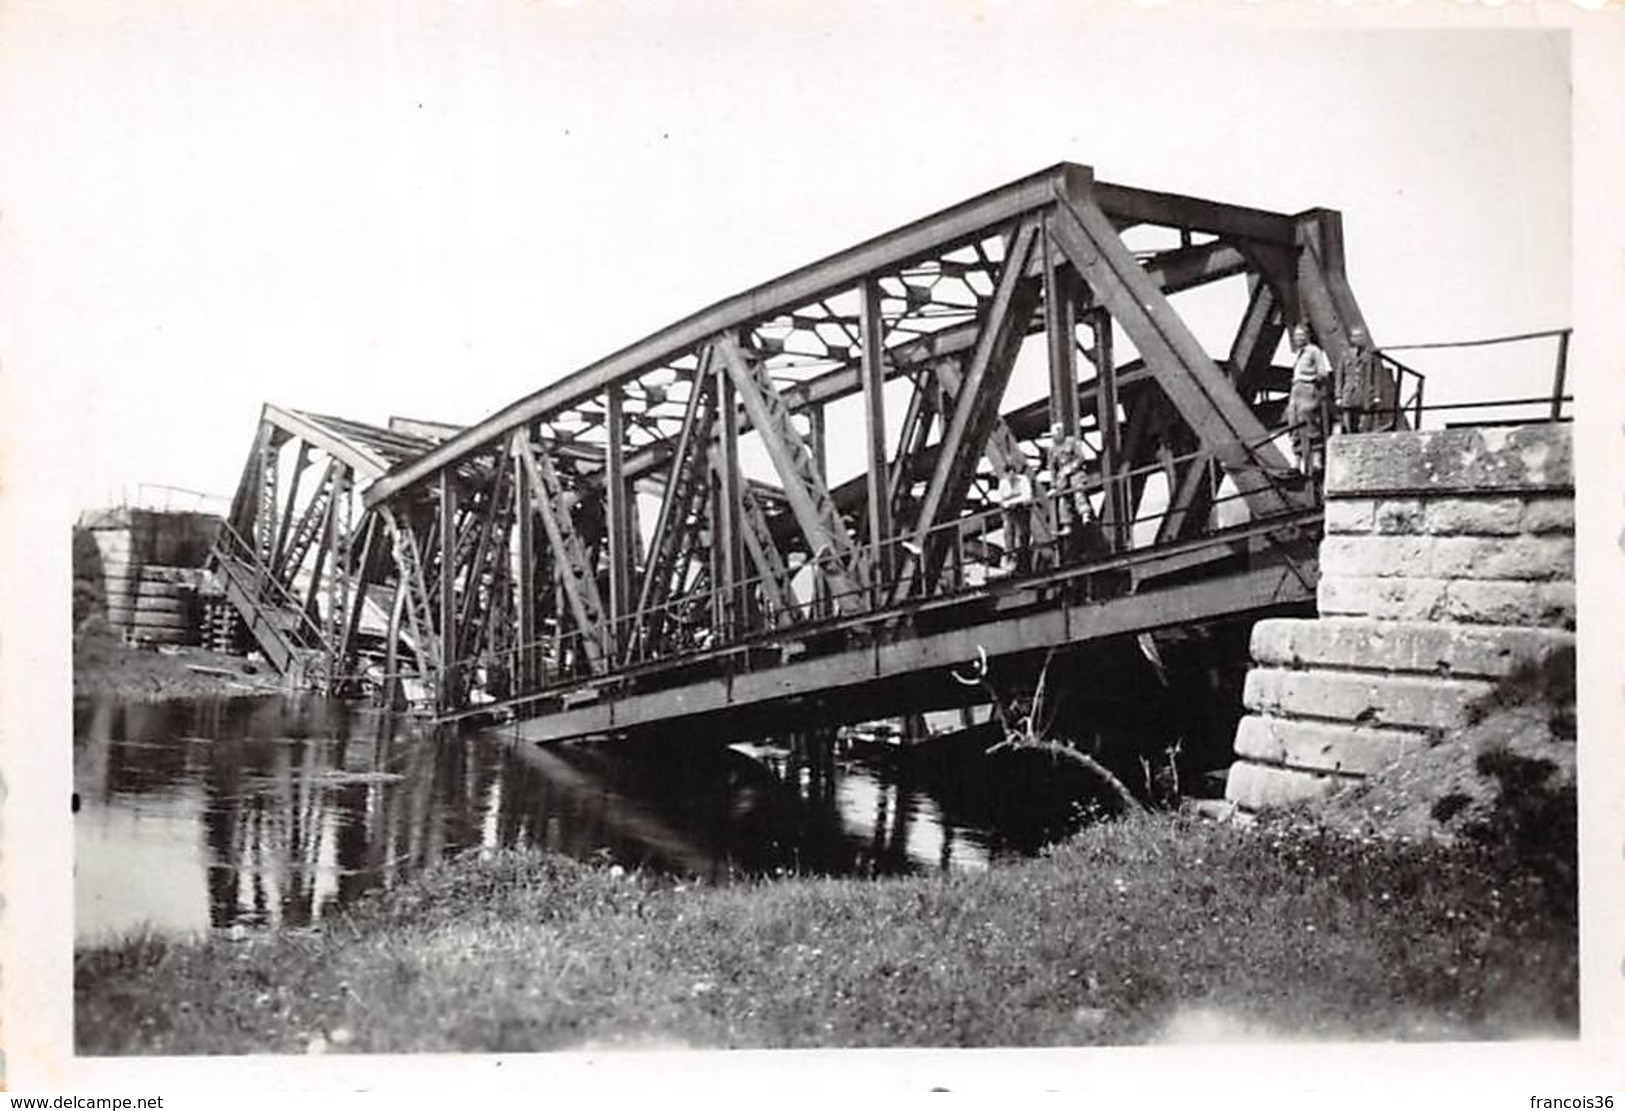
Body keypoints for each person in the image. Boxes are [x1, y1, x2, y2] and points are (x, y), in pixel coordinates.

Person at [1286, 322, 1333, 477]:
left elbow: (1323, 373)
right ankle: (1296, 464)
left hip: (1307, 389)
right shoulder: (1300, 353)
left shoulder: (1314, 351)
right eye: (1296, 336)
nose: (1298, 338)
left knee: (1310, 422)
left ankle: (1317, 462)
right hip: (1296, 391)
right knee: (1294, 424)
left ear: (1307, 336)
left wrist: (1311, 381)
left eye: (1301, 335)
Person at [995, 459, 1035, 575]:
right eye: (1009, 473)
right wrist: (1013, 500)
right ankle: (1011, 557)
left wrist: (1012, 500)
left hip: (1022, 511)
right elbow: (1001, 500)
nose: (1011, 475)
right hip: (1009, 512)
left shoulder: (1023, 480)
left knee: (1022, 534)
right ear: (1006, 474)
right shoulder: (1003, 483)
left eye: (1013, 472)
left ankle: (1020, 560)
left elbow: (1027, 496)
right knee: (1008, 532)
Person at [1335, 324, 1377, 433]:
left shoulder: (1369, 356)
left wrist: (1376, 394)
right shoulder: (1345, 355)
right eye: (1355, 336)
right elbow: (1340, 376)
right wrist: (1338, 395)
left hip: (1364, 392)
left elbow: (1375, 376)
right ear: (1352, 339)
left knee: (1363, 421)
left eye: (1360, 336)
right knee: (1348, 421)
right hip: (1349, 393)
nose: (1358, 339)